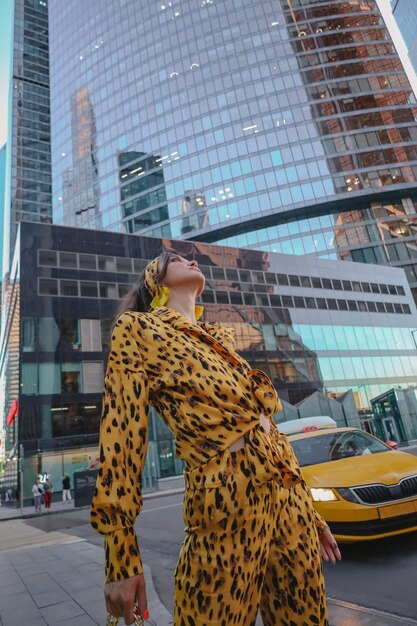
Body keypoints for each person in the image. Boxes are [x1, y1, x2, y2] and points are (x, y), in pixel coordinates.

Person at [91, 251, 341, 626]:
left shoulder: (220, 340)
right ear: (154, 281)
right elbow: (121, 439)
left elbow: (265, 430)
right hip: (226, 501)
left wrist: (310, 512)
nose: (189, 259)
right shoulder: (137, 329)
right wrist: (120, 559)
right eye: (173, 259)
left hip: (290, 505)